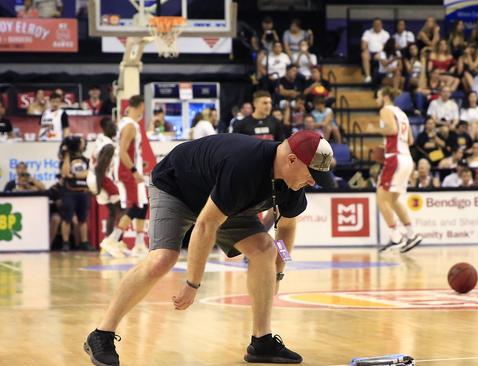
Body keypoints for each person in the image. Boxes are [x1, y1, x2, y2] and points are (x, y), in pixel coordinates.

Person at [83, 129, 335, 365]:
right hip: (177, 187)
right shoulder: (245, 166)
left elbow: (286, 230)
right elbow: (205, 226)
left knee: (265, 250)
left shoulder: (293, 185)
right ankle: (101, 334)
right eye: (312, 174)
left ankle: (262, 341)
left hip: (222, 201)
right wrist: (193, 283)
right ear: (291, 160)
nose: (313, 182)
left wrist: (279, 270)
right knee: (163, 258)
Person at [367, 87, 423, 253]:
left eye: (377, 96)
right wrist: (386, 144)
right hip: (406, 158)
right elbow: (410, 140)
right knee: (393, 199)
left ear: (384, 97)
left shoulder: (385, 110)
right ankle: (412, 234)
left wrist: (374, 130)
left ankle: (395, 237)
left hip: (395, 158)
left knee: (381, 198)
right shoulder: (402, 113)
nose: (376, 100)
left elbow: (392, 130)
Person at [99, 95, 149, 258]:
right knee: (137, 206)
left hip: (128, 169)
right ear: (141, 106)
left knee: (143, 204)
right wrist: (134, 171)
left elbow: (127, 151)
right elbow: (121, 152)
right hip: (126, 171)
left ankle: (140, 244)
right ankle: (112, 239)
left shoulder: (126, 123)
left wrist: (139, 165)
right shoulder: (130, 126)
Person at [87, 117, 121, 248]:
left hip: (93, 176)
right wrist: (99, 187)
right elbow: (100, 168)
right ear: (106, 128)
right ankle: (112, 242)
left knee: (113, 210)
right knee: (123, 208)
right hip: (100, 178)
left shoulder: (100, 138)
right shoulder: (109, 146)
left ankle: (110, 241)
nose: (115, 129)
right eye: (112, 127)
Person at [59, 136, 91, 251]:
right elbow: (65, 173)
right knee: (66, 219)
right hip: (69, 192)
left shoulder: (86, 160)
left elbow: (89, 173)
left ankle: (84, 242)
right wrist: (66, 155)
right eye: (82, 142)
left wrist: (75, 175)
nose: (84, 144)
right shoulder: (66, 159)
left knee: (83, 219)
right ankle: (65, 242)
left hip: (83, 192)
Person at [361, 18, 390, 83]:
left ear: (381, 25)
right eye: (375, 24)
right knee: (364, 54)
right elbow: (363, 45)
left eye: (378, 24)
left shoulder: (386, 34)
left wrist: (380, 52)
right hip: (370, 52)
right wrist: (366, 50)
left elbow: (387, 46)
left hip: (381, 52)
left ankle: (388, 73)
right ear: (373, 25)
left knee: (383, 55)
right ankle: (368, 76)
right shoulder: (367, 32)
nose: (377, 25)